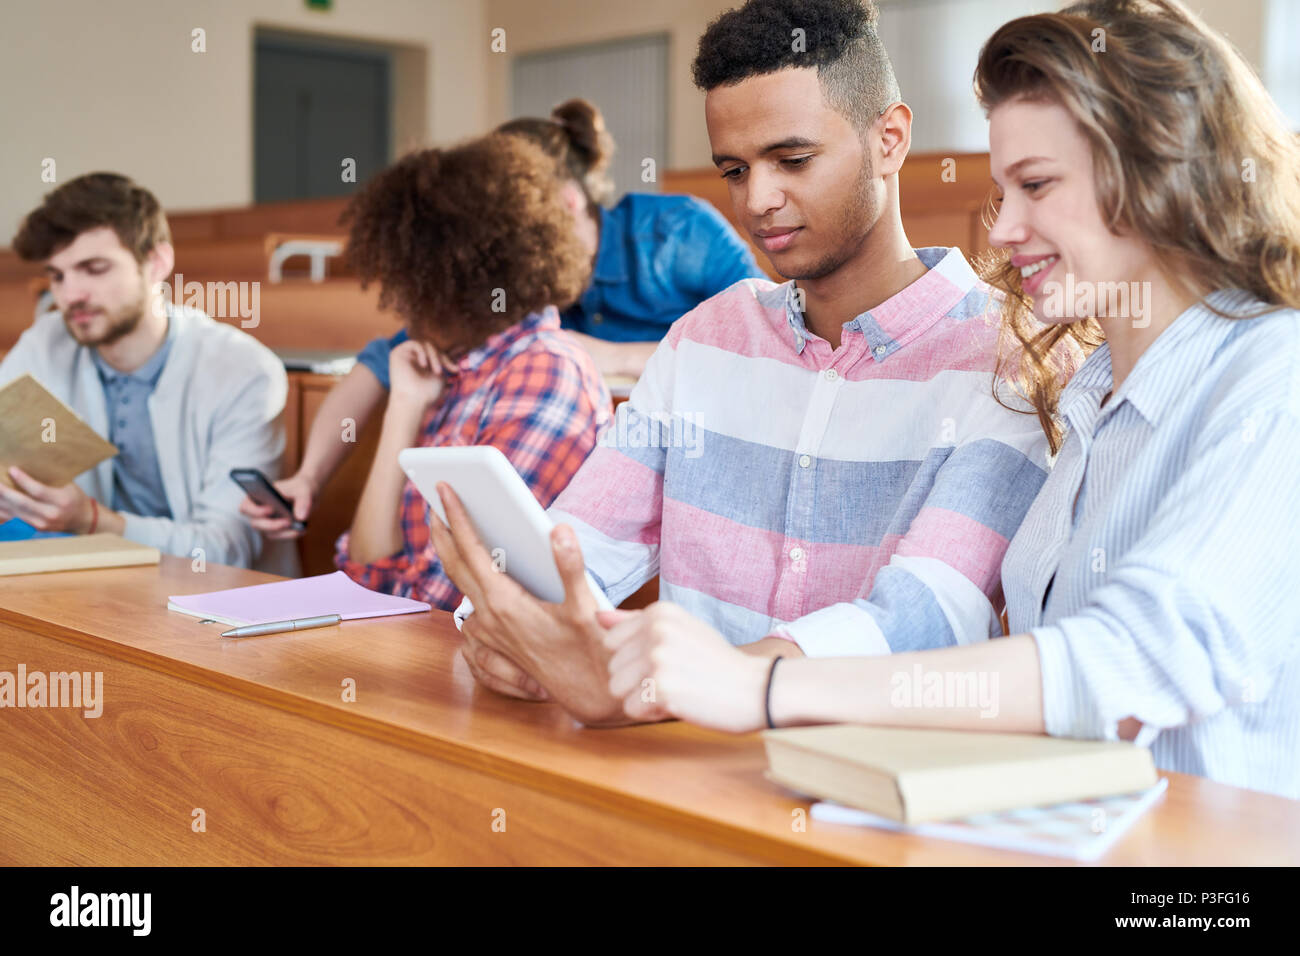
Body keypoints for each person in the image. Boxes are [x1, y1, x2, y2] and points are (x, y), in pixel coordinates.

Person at [597, 0, 1300, 800]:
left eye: (1036, 185)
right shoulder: (1094, 399)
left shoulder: (1276, 379)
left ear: (1164, 173)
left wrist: (762, 687)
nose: (1002, 230)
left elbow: (1132, 659)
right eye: (1005, 189)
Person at [429, 0, 1071, 724]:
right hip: (679, 770)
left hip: (869, 794)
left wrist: (690, 684)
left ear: (889, 139)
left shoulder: (1007, 359)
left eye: (792, 159)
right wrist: (505, 629)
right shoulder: (706, 337)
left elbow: (927, 616)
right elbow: (582, 546)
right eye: (734, 170)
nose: (758, 201)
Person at [241, 99, 762, 541]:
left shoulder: (678, 233)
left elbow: (769, 340)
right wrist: (308, 478)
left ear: (566, 200)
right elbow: (377, 364)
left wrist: (617, 355)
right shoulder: (502, 282)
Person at [324, 133, 610, 609]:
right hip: (397, 647)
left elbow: (440, 602)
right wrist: (404, 406)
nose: (406, 307)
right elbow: (361, 573)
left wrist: (375, 587)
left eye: (414, 282)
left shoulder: (544, 374)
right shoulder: (451, 370)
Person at [0, 173, 296, 574]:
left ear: (157, 263)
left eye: (94, 268)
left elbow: (226, 552)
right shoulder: (47, 342)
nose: (70, 295)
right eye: (58, 275)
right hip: (89, 587)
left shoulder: (243, 372)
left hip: (217, 608)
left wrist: (90, 520)